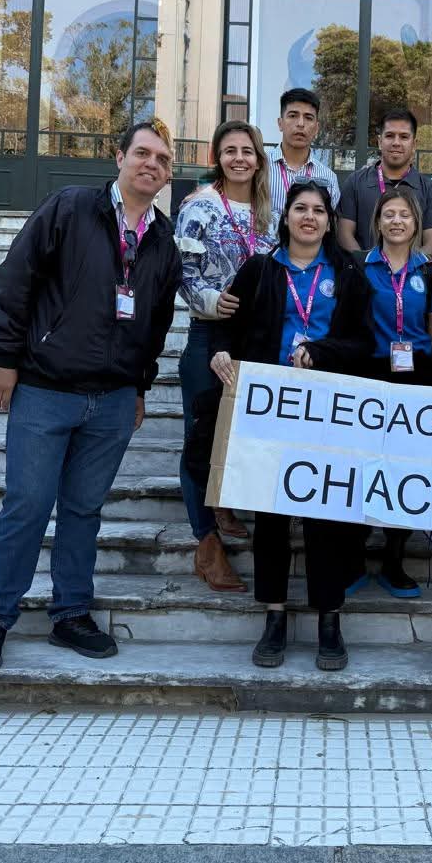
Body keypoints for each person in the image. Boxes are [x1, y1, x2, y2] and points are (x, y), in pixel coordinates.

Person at [0, 120, 182, 675]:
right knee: (28, 506)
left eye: (162, 159)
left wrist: (141, 384)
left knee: (83, 511)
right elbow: (15, 280)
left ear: (168, 174)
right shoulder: (69, 208)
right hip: (44, 389)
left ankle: (70, 614)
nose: (150, 164)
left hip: (111, 401)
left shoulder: (163, 240)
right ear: (119, 157)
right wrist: (4, 357)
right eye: (142, 153)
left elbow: (155, 322)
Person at [209, 181, 374, 672]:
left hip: (326, 413)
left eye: (318, 210)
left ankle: (330, 619)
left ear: (329, 221)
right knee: (272, 518)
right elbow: (226, 323)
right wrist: (221, 350)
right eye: (300, 208)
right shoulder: (260, 269)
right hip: (268, 412)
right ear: (286, 218)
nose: (309, 217)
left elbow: (363, 343)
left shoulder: (347, 273)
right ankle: (275, 618)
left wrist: (320, 352)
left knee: (327, 518)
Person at [174, 120, 276, 591]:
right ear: (218, 157)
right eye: (230, 150)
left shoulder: (266, 211)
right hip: (209, 334)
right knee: (200, 440)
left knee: (236, 434)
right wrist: (213, 302)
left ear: (259, 158)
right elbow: (184, 272)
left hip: (254, 341)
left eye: (247, 150)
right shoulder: (199, 206)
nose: (239, 158)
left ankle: (224, 503)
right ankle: (207, 542)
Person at [358, 184, 432, 597]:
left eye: (405, 215)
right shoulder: (361, 268)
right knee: (365, 465)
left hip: (419, 375)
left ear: (416, 224)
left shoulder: (431, 269)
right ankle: (355, 555)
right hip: (372, 373)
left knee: (407, 469)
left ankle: (395, 557)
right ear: (377, 222)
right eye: (389, 214)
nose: (396, 221)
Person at [337, 108, 432, 258]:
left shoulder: (429, 188)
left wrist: (405, 271)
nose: (396, 143)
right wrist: (368, 267)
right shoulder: (356, 182)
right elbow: (344, 234)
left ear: (414, 144)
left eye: (404, 137)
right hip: (363, 277)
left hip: (410, 277)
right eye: (390, 136)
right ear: (379, 141)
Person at [267, 87, 340, 216]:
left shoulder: (328, 178)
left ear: (317, 128)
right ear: (280, 123)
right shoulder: (260, 167)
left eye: (308, 117)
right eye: (293, 115)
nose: (300, 123)